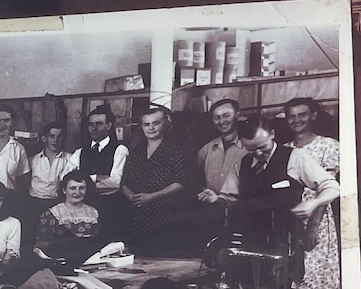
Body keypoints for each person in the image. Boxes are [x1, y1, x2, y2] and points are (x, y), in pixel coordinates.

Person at [232, 115, 340, 289]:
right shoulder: (243, 163)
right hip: (251, 241)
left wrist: (314, 203)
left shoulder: (295, 158)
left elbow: (332, 187)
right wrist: (217, 198)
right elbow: (231, 196)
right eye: (252, 149)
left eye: (262, 147)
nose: (258, 154)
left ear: (272, 134)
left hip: (284, 241)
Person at [283, 97, 341, 289]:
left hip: (318, 217)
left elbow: (326, 189)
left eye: (302, 115)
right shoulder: (285, 149)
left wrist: (314, 227)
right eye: (291, 116)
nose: (296, 120)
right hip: (292, 218)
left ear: (313, 116)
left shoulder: (328, 145)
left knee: (315, 274)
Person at [120, 105, 189, 253]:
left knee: (160, 256)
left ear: (165, 124)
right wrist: (131, 196)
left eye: (156, 123)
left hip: (165, 216)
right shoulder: (136, 152)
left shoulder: (176, 151)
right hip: (137, 216)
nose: (151, 128)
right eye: (146, 124)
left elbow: (181, 182)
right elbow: (124, 182)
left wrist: (152, 197)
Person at [62, 105, 129, 237]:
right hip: (84, 209)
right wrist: (97, 178)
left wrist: (83, 181)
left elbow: (115, 183)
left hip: (110, 208)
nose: (94, 128)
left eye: (99, 124)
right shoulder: (80, 151)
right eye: (91, 124)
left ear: (109, 125)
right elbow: (65, 178)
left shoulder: (120, 150)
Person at [35, 170, 105, 266]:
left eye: (82, 188)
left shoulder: (93, 212)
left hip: (90, 261)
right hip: (61, 260)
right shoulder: (53, 213)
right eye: (72, 188)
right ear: (64, 190)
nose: (77, 192)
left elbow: (98, 241)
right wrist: (63, 243)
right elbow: (39, 243)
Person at [25, 122, 71, 246]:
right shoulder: (32, 160)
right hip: (34, 204)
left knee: (56, 242)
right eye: (51, 136)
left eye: (59, 136)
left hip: (57, 204)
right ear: (44, 138)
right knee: (32, 239)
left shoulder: (70, 159)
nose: (55, 140)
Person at [196, 99, 248, 205]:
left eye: (226, 115)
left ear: (237, 115)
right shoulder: (206, 150)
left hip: (239, 211)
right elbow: (196, 181)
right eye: (216, 118)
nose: (221, 121)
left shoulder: (248, 149)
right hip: (210, 210)